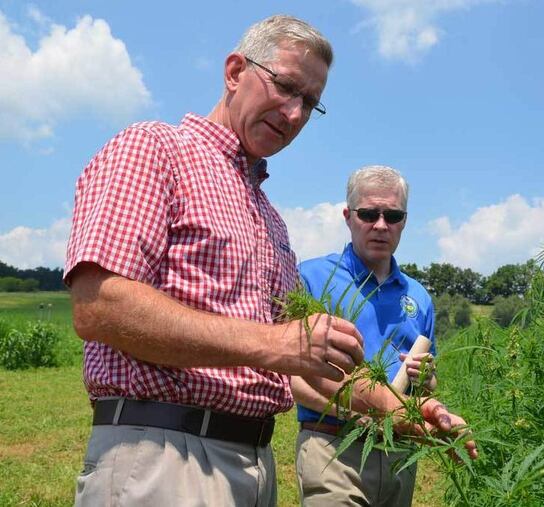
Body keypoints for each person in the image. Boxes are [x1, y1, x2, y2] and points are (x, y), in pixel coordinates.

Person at [64, 15, 366, 506]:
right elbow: (99, 305)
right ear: (234, 72)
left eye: (309, 102)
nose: (294, 114)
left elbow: (299, 359)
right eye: (286, 86)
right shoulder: (156, 149)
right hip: (164, 458)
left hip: (255, 463)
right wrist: (274, 343)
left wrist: (408, 413)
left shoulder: (270, 219)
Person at [293, 165, 477, 507]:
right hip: (333, 448)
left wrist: (426, 378)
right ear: (348, 217)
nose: (381, 225)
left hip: (398, 453)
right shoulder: (312, 278)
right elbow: (294, 379)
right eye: (369, 214)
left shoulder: (418, 296)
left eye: (392, 215)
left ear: (404, 221)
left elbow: (426, 385)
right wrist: (366, 415)